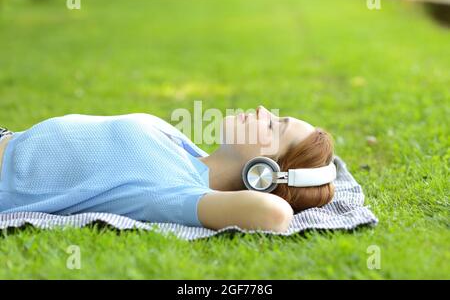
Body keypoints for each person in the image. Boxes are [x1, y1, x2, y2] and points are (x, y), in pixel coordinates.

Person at [0, 106, 334, 232]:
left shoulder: (180, 193)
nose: (263, 110)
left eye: (274, 127)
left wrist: (296, 181)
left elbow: (274, 214)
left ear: (263, 173)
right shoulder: (187, 151)